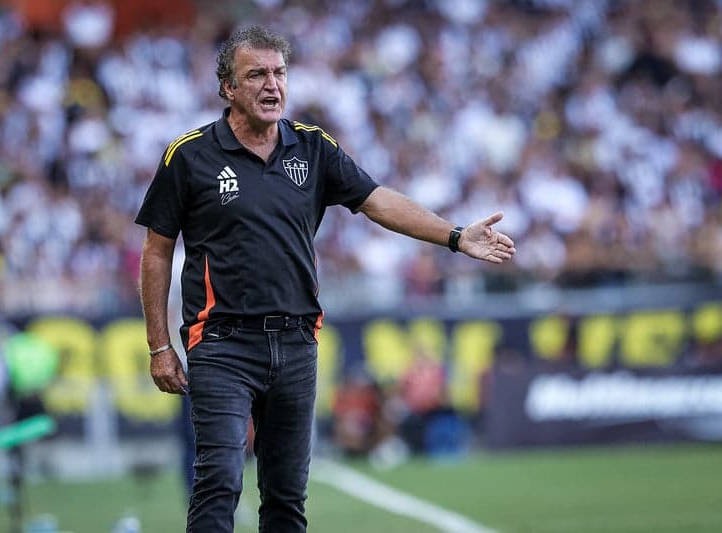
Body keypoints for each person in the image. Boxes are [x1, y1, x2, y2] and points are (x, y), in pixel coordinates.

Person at [135, 25, 515, 533]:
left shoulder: (313, 147)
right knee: (219, 483)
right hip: (221, 344)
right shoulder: (189, 155)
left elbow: (378, 200)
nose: (272, 85)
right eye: (256, 75)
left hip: (296, 343)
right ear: (228, 87)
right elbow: (157, 252)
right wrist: (160, 346)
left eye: (279, 73)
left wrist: (454, 235)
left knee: (287, 499)